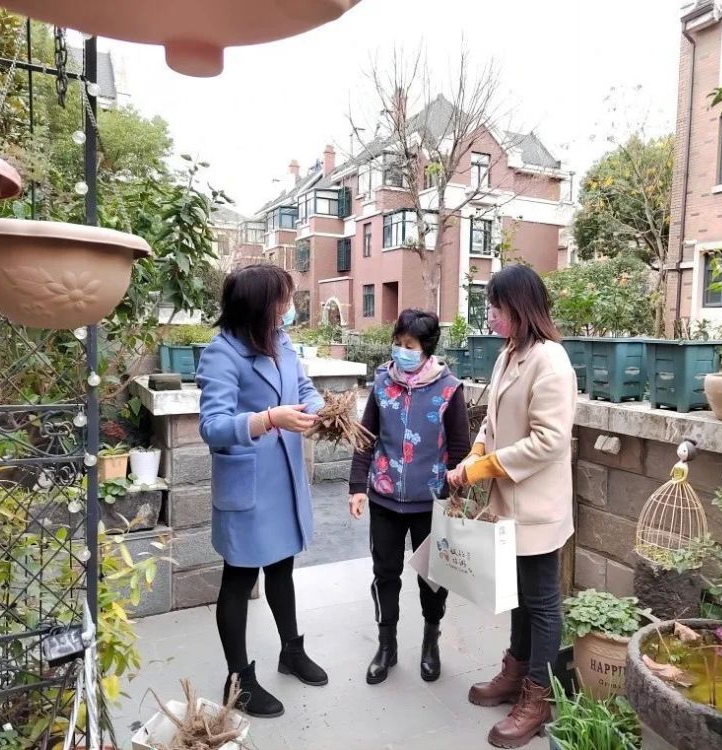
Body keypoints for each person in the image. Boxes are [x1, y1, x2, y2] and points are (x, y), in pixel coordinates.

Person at [447, 264, 577, 749]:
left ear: (520, 309)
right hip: (509, 504)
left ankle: (538, 699)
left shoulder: (551, 360)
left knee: (542, 604)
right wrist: (474, 455)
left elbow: (549, 440)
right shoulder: (509, 354)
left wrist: (483, 469)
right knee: (520, 598)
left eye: (496, 308)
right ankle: (516, 673)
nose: (492, 316)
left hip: (537, 508)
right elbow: (494, 423)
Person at [196, 264, 328, 719]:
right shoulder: (222, 353)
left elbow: (305, 388)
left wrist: (320, 411)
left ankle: (290, 651)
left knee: (282, 568)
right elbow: (212, 427)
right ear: (259, 305)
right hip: (250, 485)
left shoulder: (280, 342)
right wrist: (269, 418)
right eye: (283, 300)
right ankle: (239, 677)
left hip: (284, 477)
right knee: (239, 579)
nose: (289, 309)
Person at [348, 309, 471, 685]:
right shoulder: (383, 382)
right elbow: (366, 437)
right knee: (385, 572)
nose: (401, 351)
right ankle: (387, 645)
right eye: (398, 344)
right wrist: (357, 486)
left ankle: (430, 642)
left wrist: (455, 496)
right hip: (384, 498)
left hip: (430, 500)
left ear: (427, 348)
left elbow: (460, 446)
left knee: (433, 578)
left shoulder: (449, 388)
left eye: (410, 346)